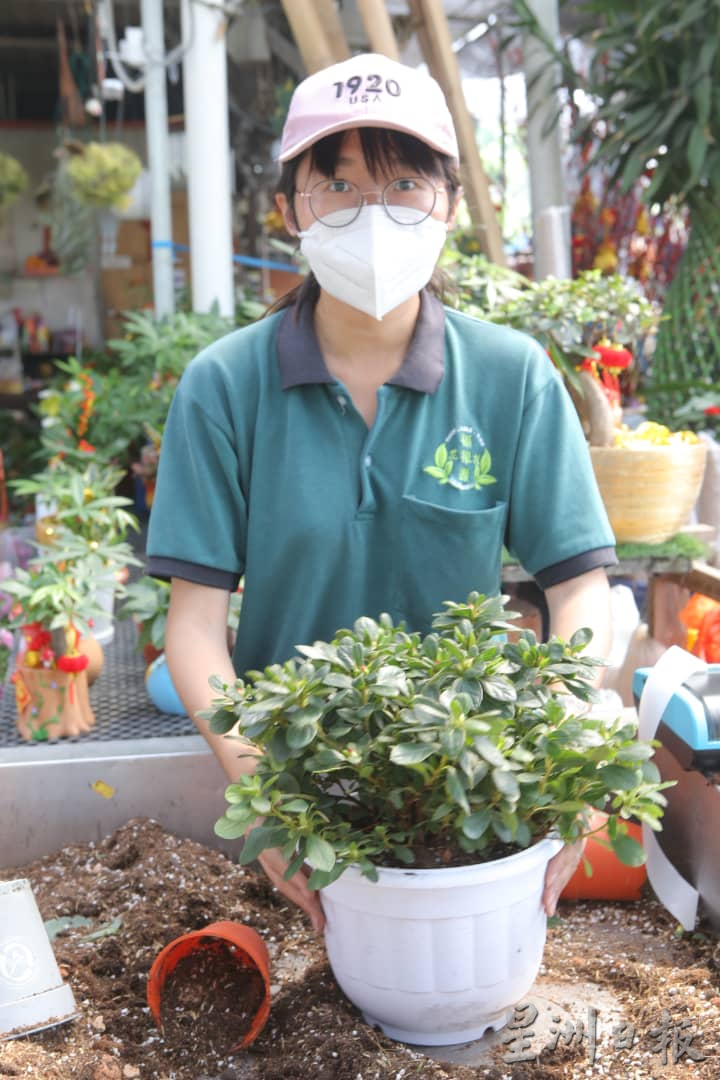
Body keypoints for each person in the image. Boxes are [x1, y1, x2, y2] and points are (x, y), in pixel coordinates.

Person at [146, 53, 616, 934]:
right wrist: (267, 795)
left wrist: (574, 743)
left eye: (405, 181)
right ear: (289, 211)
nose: (374, 214)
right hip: (296, 783)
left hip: (470, 787)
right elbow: (195, 622)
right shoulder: (224, 387)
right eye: (338, 185)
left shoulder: (511, 378)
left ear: (448, 203)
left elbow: (579, 585)